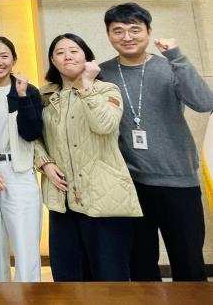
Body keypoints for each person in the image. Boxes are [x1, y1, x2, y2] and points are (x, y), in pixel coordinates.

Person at [99, 2, 213, 281]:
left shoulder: (171, 67)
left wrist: (177, 56)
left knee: (188, 262)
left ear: (149, 32)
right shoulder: (102, 73)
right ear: (109, 35)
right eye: (118, 31)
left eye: (135, 29)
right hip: (131, 184)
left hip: (178, 181)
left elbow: (204, 102)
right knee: (140, 265)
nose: (127, 37)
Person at [34, 33, 142, 281]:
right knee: (68, 277)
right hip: (62, 199)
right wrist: (44, 163)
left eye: (74, 51)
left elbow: (105, 125)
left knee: (110, 278)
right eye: (60, 52)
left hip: (103, 197)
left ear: (87, 57)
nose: (67, 56)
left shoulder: (106, 89)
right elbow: (31, 137)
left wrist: (87, 86)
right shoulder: (45, 96)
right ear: (53, 61)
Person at [0, 36, 43, 282]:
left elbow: (32, 133)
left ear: (14, 59)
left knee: (25, 245)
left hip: (19, 172)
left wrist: (23, 97)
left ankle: (29, 295)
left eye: (4, 56)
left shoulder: (28, 90)